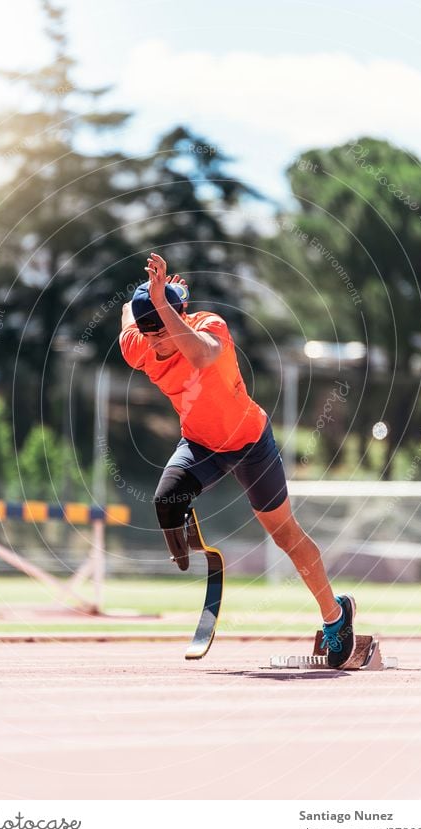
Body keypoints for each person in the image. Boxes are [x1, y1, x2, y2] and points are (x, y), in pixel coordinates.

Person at [119, 252, 356, 668]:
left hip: (250, 442)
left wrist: (163, 302)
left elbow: (202, 356)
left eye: (163, 331)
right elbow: (127, 313)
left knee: (286, 536)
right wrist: (155, 296)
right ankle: (192, 539)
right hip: (200, 445)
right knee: (166, 502)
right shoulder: (137, 346)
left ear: (181, 317)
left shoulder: (210, 328)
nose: (157, 344)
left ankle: (335, 616)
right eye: (149, 334)